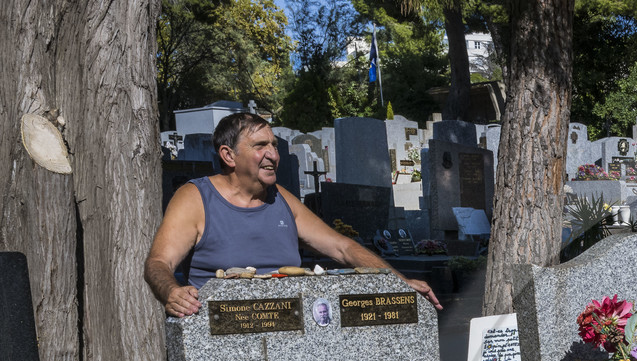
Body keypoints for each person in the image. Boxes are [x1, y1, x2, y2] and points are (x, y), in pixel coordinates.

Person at [143, 112, 441, 318]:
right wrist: (172, 292)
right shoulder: (195, 198)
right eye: (261, 146)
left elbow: (342, 247)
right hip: (224, 331)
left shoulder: (280, 198)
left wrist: (398, 282)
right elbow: (159, 262)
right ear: (228, 155)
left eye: (273, 145)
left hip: (291, 327)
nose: (273, 154)